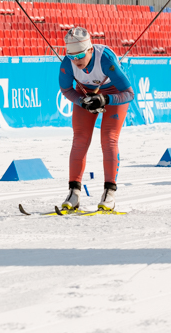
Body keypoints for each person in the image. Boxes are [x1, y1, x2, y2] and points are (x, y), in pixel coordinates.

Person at [58, 27, 134, 211]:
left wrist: (105, 99)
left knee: (109, 139)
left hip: (114, 92)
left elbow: (129, 93)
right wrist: (82, 102)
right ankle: (74, 193)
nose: (76, 60)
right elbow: (66, 89)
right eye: (71, 56)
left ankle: (109, 194)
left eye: (80, 56)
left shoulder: (105, 59)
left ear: (90, 50)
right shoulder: (69, 63)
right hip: (85, 91)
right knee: (80, 139)